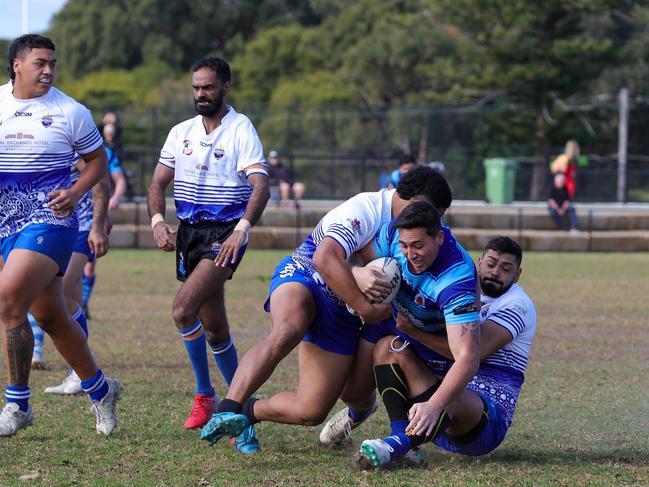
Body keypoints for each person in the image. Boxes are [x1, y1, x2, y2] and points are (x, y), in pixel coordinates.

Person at [200, 167, 453, 450]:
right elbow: (324, 257)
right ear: (417, 203)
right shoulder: (366, 209)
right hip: (307, 276)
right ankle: (228, 409)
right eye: (436, 214)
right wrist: (362, 302)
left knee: (311, 411)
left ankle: (247, 412)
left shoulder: (427, 233)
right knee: (288, 328)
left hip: (343, 313)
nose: (437, 223)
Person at [0, 34, 121, 437]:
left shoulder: (71, 111)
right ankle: (101, 390)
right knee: (51, 315)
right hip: (5, 222)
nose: (49, 69)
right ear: (17, 65)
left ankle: (17, 404)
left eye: (53, 62)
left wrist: (75, 192)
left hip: (51, 218)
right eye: (39, 62)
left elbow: (97, 161)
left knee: (9, 299)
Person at [147, 56, 269, 453]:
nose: (201, 94)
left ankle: (205, 396)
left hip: (225, 234)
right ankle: (242, 416)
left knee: (183, 309)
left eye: (209, 87)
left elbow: (260, 186)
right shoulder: (180, 131)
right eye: (196, 88)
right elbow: (157, 183)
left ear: (225, 88)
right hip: (190, 233)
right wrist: (157, 221)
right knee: (214, 327)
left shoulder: (241, 129)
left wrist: (242, 230)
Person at [29, 158, 111, 381]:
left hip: (81, 226)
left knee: (57, 293)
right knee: (69, 297)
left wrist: (98, 223)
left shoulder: (69, 137)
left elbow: (100, 178)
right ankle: (78, 374)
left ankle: (81, 371)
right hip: (51, 226)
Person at [81, 123, 127, 318]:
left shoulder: (105, 153)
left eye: (112, 132)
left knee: (89, 263)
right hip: (72, 213)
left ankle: (82, 302)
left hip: (95, 215)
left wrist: (113, 200)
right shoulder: (66, 148)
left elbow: (120, 180)